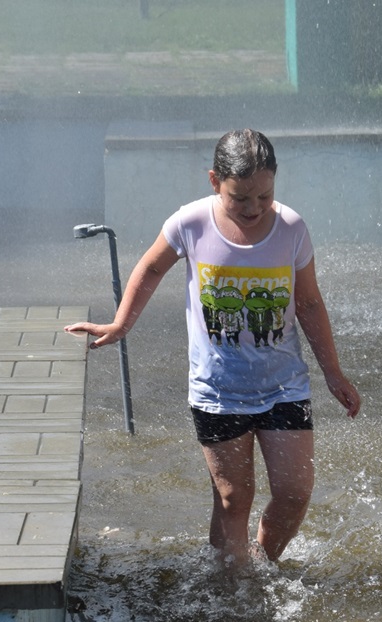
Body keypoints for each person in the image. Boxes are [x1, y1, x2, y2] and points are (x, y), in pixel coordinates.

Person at [65, 129, 360, 565]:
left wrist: (333, 372)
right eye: (240, 198)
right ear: (214, 180)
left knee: (295, 494)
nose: (253, 209)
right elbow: (150, 267)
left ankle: (263, 560)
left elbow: (310, 302)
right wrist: (121, 323)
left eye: (264, 196)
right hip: (218, 390)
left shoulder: (292, 229)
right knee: (232, 499)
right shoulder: (191, 223)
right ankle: (230, 587)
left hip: (284, 386)